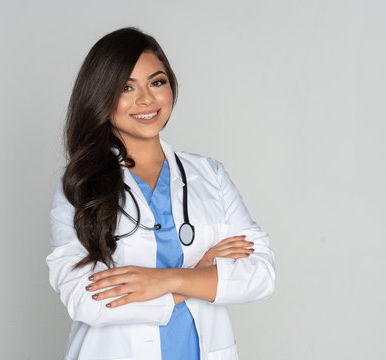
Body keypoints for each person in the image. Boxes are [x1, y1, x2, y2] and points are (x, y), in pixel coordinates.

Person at [46, 27, 275, 360]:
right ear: (101, 95)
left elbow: (260, 274)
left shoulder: (209, 174)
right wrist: (200, 274)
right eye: (126, 87)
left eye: (157, 82)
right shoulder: (81, 186)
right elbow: (87, 301)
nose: (146, 100)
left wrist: (165, 279)